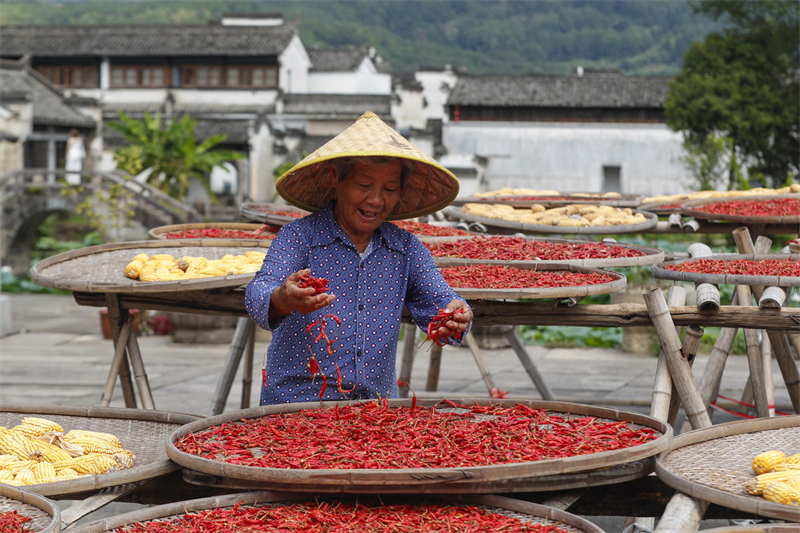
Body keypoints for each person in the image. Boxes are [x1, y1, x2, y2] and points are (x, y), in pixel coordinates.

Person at [246, 111, 473, 405]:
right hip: (297, 404)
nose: (376, 200)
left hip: (374, 410)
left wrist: (456, 315)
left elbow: (441, 300)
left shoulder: (405, 249)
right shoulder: (300, 237)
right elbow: (257, 293)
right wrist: (283, 298)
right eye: (364, 186)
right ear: (336, 178)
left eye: (389, 189)